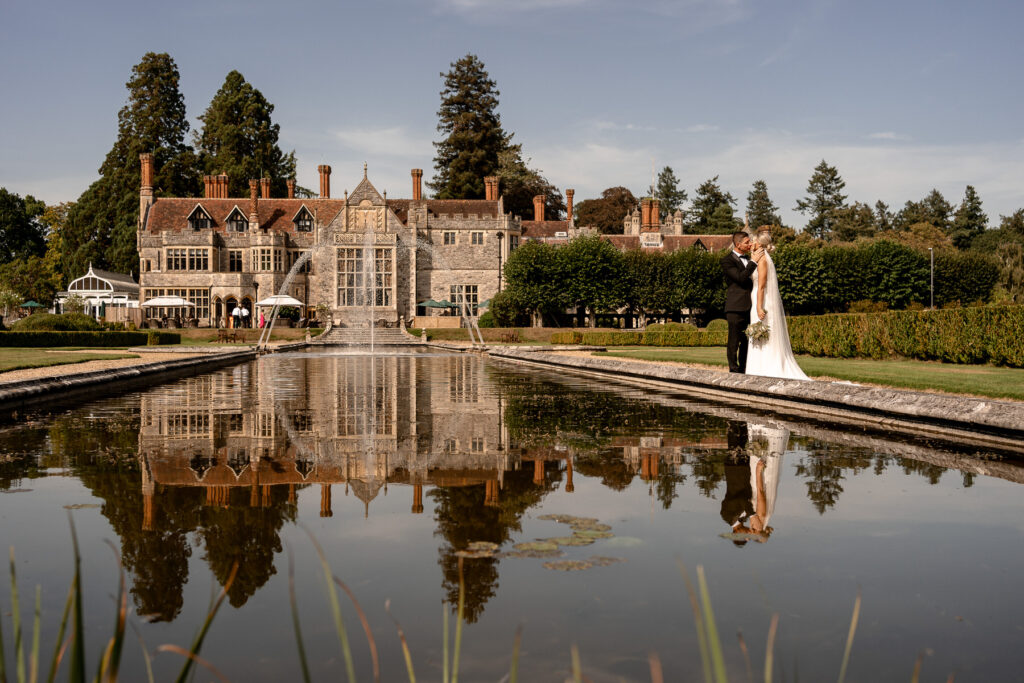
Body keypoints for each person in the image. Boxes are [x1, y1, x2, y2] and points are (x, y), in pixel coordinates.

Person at [745, 228, 810, 380]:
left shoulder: (763, 260)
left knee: (762, 331)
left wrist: (759, 307)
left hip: (761, 299)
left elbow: (761, 286)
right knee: (760, 332)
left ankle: (764, 367)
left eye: (753, 241)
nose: (751, 243)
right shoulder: (759, 258)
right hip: (758, 297)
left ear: (759, 244)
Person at [720, 230, 764, 373]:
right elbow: (740, 278)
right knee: (734, 340)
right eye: (747, 242)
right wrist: (753, 262)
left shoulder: (750, 258)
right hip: (735, 307)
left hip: (750, 306)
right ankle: (733, 369)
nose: (750, 244)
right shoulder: (727, 261)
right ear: (738, 244)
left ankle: (744, 368)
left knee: (747, 340)